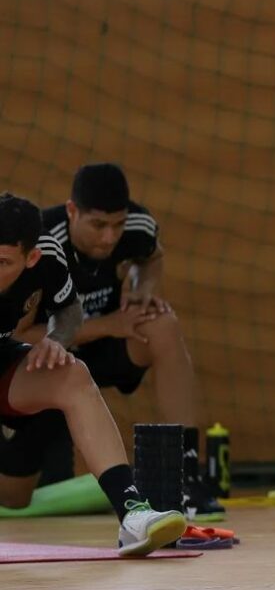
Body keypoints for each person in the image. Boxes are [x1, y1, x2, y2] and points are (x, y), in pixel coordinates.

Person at [17, 163, 221, 517]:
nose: (110, 237)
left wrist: (143, 290)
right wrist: (110, 324)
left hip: (110, 347)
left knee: (162, 324)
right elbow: (22, 336)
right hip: (49, 363)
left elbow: (152, 257)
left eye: (117, 225)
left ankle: (187, 473)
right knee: (24, 496)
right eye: (98, 225)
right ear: (71, 211)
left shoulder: (138, 226)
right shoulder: (40, 246)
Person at [0, 192, 185, 555]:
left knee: (73, 375)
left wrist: (57, 339)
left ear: (31, 257)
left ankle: (133, 514)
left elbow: (68, 312)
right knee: (12, 494)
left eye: (2, 261)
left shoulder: (49, 256)